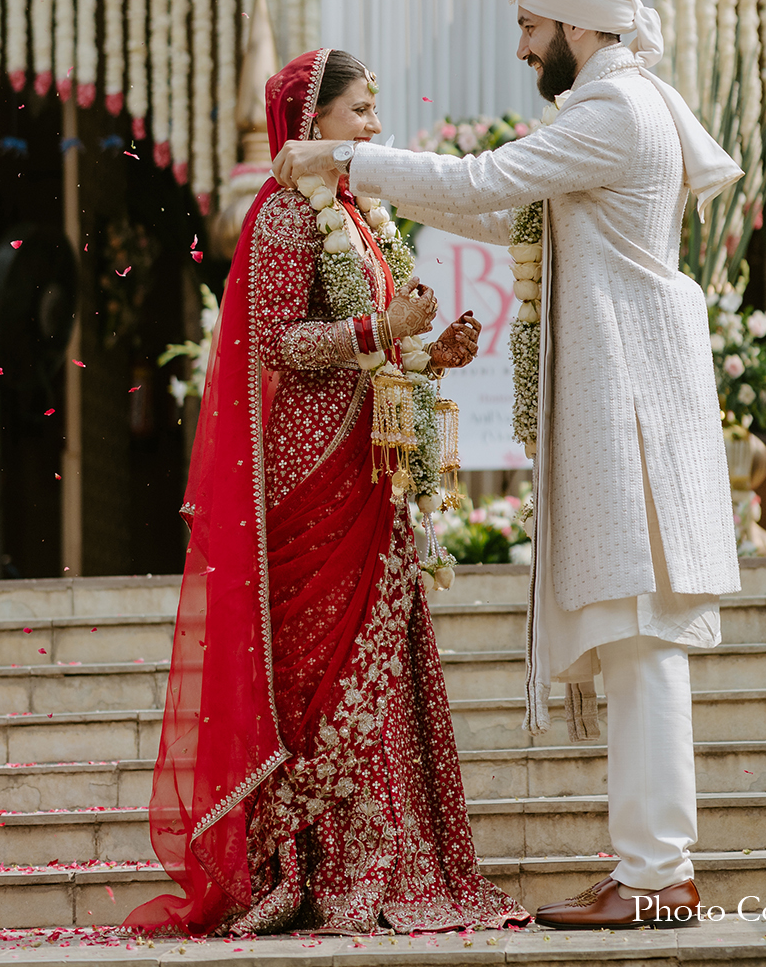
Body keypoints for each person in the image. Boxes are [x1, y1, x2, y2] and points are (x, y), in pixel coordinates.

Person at [272, 0, 744, 932]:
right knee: (633, 640)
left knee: (642, 639)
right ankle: (648, 867)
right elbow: (505, 213)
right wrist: (368, 170)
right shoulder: (613, 104)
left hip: (631, 401)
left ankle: (657, 877)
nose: (524, 48)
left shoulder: (616, 108)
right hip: (626, 398)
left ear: (576, 18)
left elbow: (487, 186)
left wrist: (344, 162)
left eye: (531, 26)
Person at [128, 47, 529, 937]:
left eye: (374, 111)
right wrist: (378, 328)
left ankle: (388, 860)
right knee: (318, 666)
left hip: (369, 463)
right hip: (312, 472)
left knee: (379, 658)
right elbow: (276, 340)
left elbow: (374, 343)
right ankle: (313, 864)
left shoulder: (362, 216)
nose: (373, 128)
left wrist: (425, 351)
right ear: (312, 125)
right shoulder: (283, 215)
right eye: (359, 113)